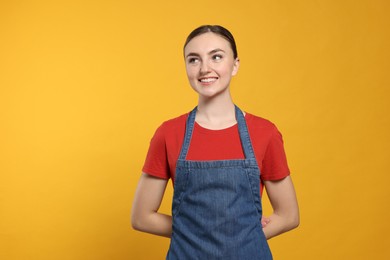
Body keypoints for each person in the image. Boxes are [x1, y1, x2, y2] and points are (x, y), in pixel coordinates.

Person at [132, 25, 299, 259]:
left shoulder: (265, 132)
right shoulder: (168, 134)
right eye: (193, 60)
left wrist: (240, 234)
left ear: (235, 65)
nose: (204, 68)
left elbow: (289, 215)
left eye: (216, 57)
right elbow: (141, 217)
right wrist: (199, 234)